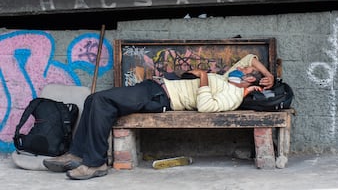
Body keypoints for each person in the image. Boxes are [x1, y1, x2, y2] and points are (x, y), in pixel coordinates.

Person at [43, 54, 274, 180]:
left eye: (245, 72)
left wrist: (203, 76)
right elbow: (250, 58)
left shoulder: (232, 95)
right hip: (156, 87)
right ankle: (76, 154)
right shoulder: (227, 79)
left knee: (102, 101)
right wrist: (268, 74)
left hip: (160, 97)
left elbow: (205, 106)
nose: (242, 68)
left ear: (249, 81)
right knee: (93, 99)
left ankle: (95, 163)